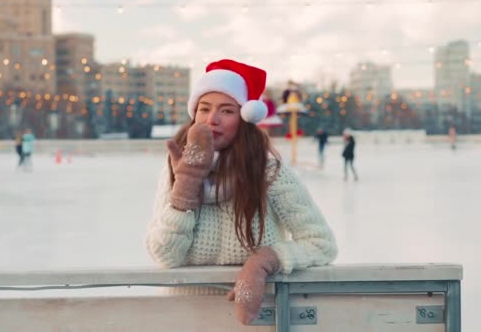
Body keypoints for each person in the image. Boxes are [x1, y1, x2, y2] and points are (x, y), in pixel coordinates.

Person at [145, 59, 338, 325]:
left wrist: (263, 263)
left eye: (226, 111)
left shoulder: (268, 172)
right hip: (185, 318)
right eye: (204, 109)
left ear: (244, 119)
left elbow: (321, 243)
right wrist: (187, 184)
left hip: (258, 318)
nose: (212, 120)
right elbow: (165, 255)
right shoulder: (175, 169)